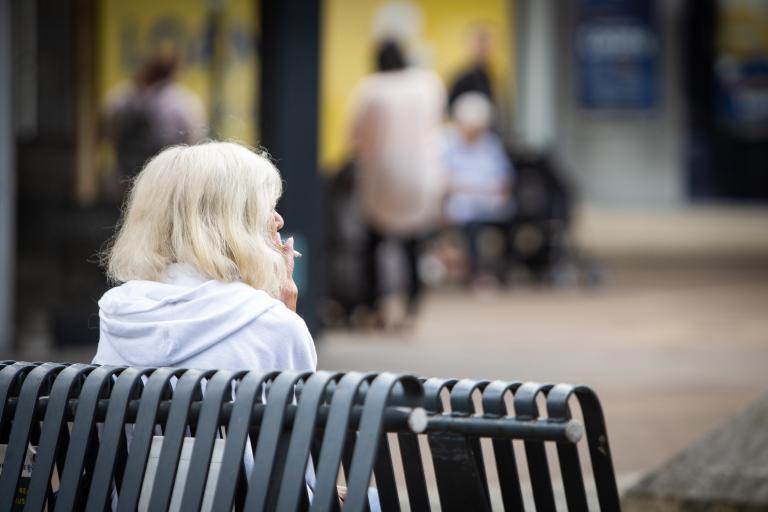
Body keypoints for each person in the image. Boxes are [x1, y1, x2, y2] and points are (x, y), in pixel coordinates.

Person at [93, 141, 315, 372]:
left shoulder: (119, 313)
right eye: (267, 207)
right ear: (231, 223)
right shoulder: (275, 326)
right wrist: (286, 316)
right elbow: (295, 404)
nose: (278, 220)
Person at [349, 39, 446, 322]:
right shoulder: (428, 84)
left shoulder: (371, 89)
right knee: (413, 245)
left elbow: (357, 135)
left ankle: (373, 304)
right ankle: (412, 306)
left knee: (373, 243)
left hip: (382, 178)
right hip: (422, 176)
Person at [103, 52, 207, 191]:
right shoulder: (181, 101)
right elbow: (195, 139)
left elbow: (107, 129)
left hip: (127, 176)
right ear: (174, 72)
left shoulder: (122, 97)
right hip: (168, 176)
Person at [443, 92, 514, 285]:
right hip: (463, 204)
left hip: (490, 202)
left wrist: (499, 191)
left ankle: (503, 271)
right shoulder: (449, 143)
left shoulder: (490, 143)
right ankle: (473, 272)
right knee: (470, 227)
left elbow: (504, 174)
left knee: (512, 219)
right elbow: (445, 178)